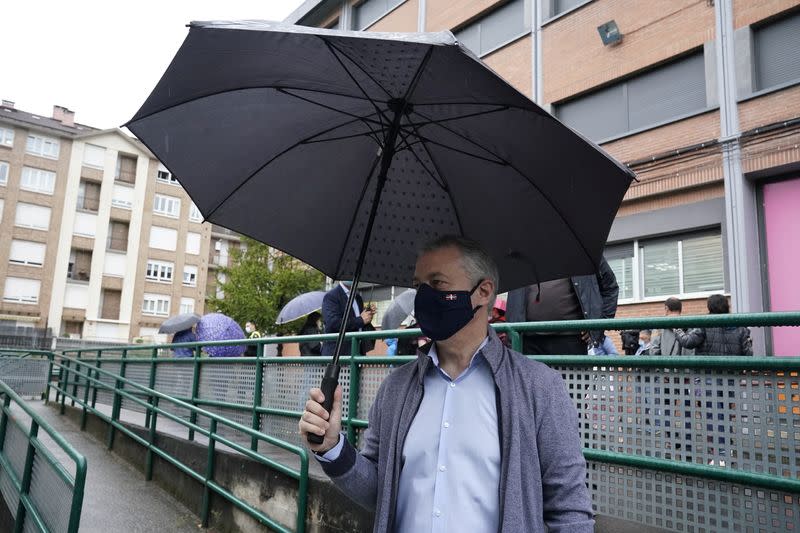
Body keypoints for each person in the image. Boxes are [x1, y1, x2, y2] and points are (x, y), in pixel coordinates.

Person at [299, 235, 593, 532]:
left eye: (437, 283)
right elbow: (379, 490)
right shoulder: (396, 388)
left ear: (484, 291)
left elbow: (570, 511)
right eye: (418, 286)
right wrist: (333, 447)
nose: (424, 297)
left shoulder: (539, 389)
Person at [506, 258, 618, 355]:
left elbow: (610, 287)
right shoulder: (522, 251)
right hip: (527, 340)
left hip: (570, 338)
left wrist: (597, 326)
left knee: (570, 380)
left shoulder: (582, 249)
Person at [675, 294, 753, 356]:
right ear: (727, 306)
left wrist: (677, 330)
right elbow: (748, 354)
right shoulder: (741, 328)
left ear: (709, 307)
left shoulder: (705, 324)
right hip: (734, 374)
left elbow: (688, 342)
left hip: (708, 374)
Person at [321, 281, 375, 356]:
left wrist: (367, 316)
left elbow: (360, 321)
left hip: (357, 351)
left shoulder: (358, 297)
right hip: (338, 354)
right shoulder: (331, 296)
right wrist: (361, 320)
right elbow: (333, 323)